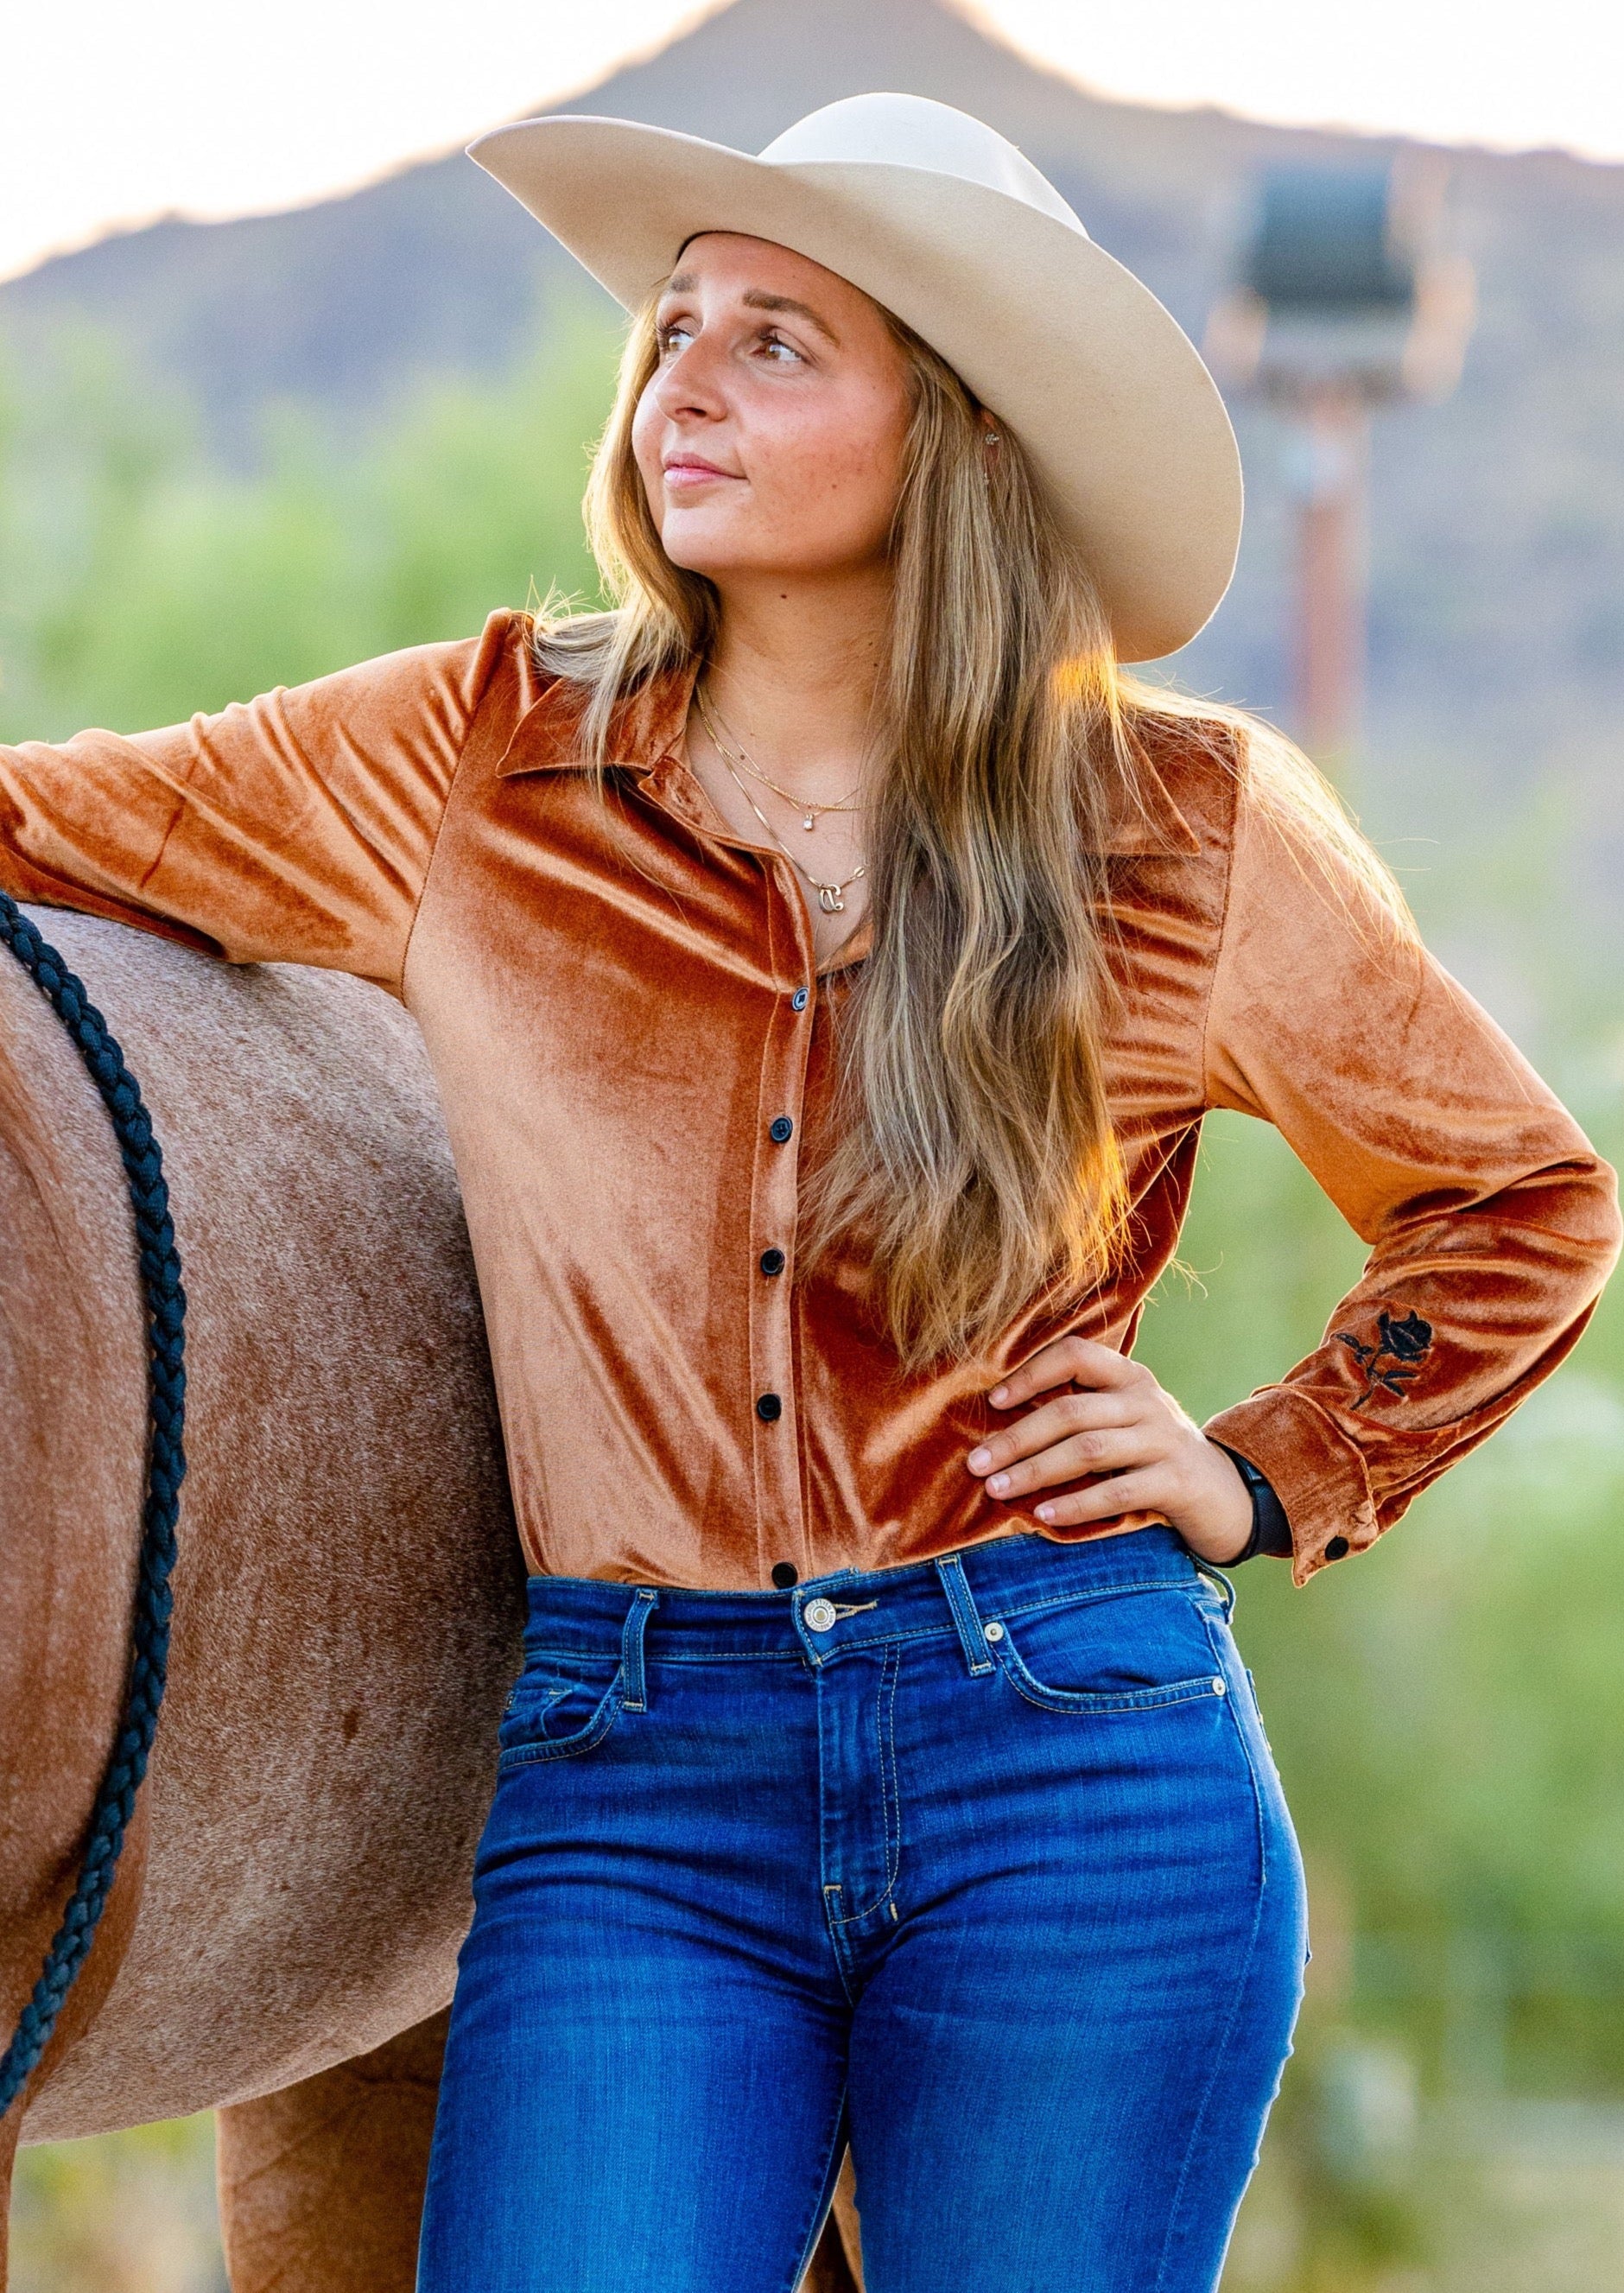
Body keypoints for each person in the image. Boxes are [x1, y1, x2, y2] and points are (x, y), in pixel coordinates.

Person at [0, 92, 1614, 2293]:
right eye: (676, 329)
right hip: (633, 1773)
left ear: (946, 433)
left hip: (1070, 1764)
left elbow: (1521, 1199)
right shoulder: (476, 759)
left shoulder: (1181, 825)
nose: (686, 382)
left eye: (779, 340)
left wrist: (1262, 1473)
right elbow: (45, 823)